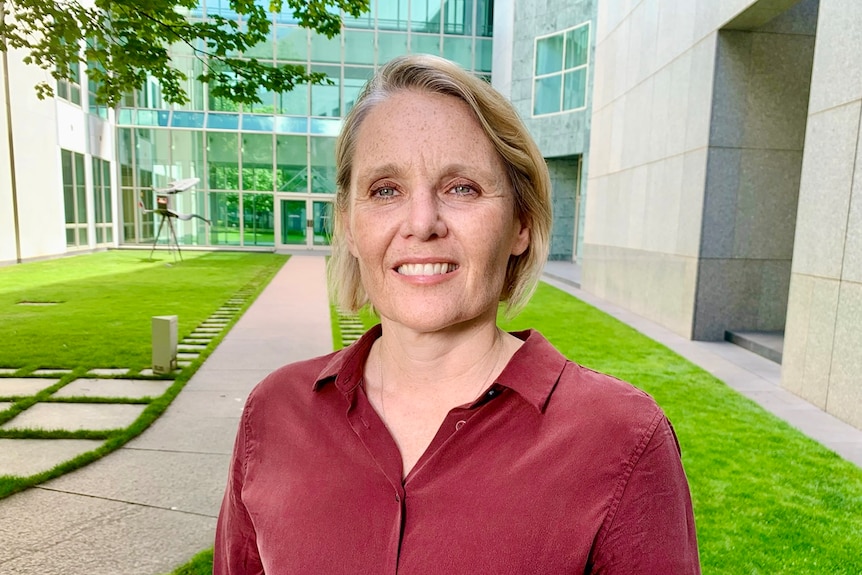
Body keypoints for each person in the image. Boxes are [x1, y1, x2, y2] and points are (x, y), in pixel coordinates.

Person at [214, 54, 700, 574]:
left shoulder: (621, 438)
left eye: (461, 187)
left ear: (522, 224)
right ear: (350, 226)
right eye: (385, 190)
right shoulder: (273, 412)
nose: (422, 223)